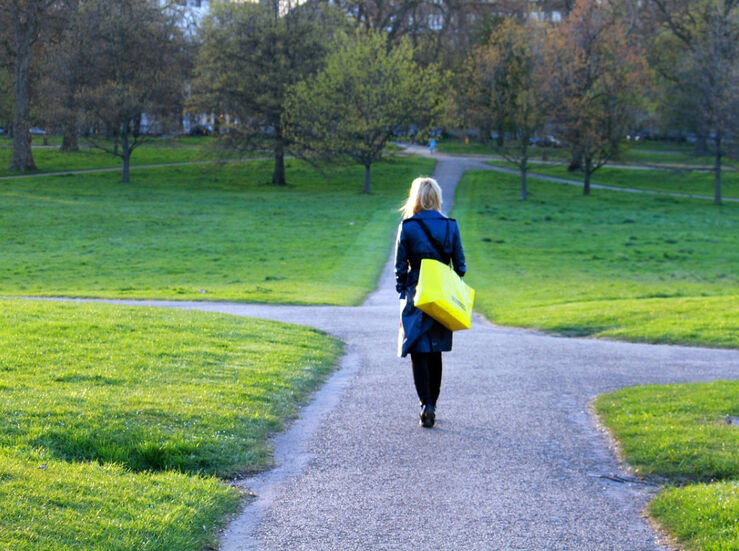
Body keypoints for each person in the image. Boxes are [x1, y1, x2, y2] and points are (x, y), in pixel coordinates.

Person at [394, 177, 466, 428]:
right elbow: (461, 267)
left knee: (417, 349)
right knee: (435, 350)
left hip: (416, 293)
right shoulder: (450, 226)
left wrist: (404, 292)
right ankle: (432, 403)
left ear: (415, 198)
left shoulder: (408, 226)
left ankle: (425, 404)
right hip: (442, 294)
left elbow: (399, 269)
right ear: (436, 197)